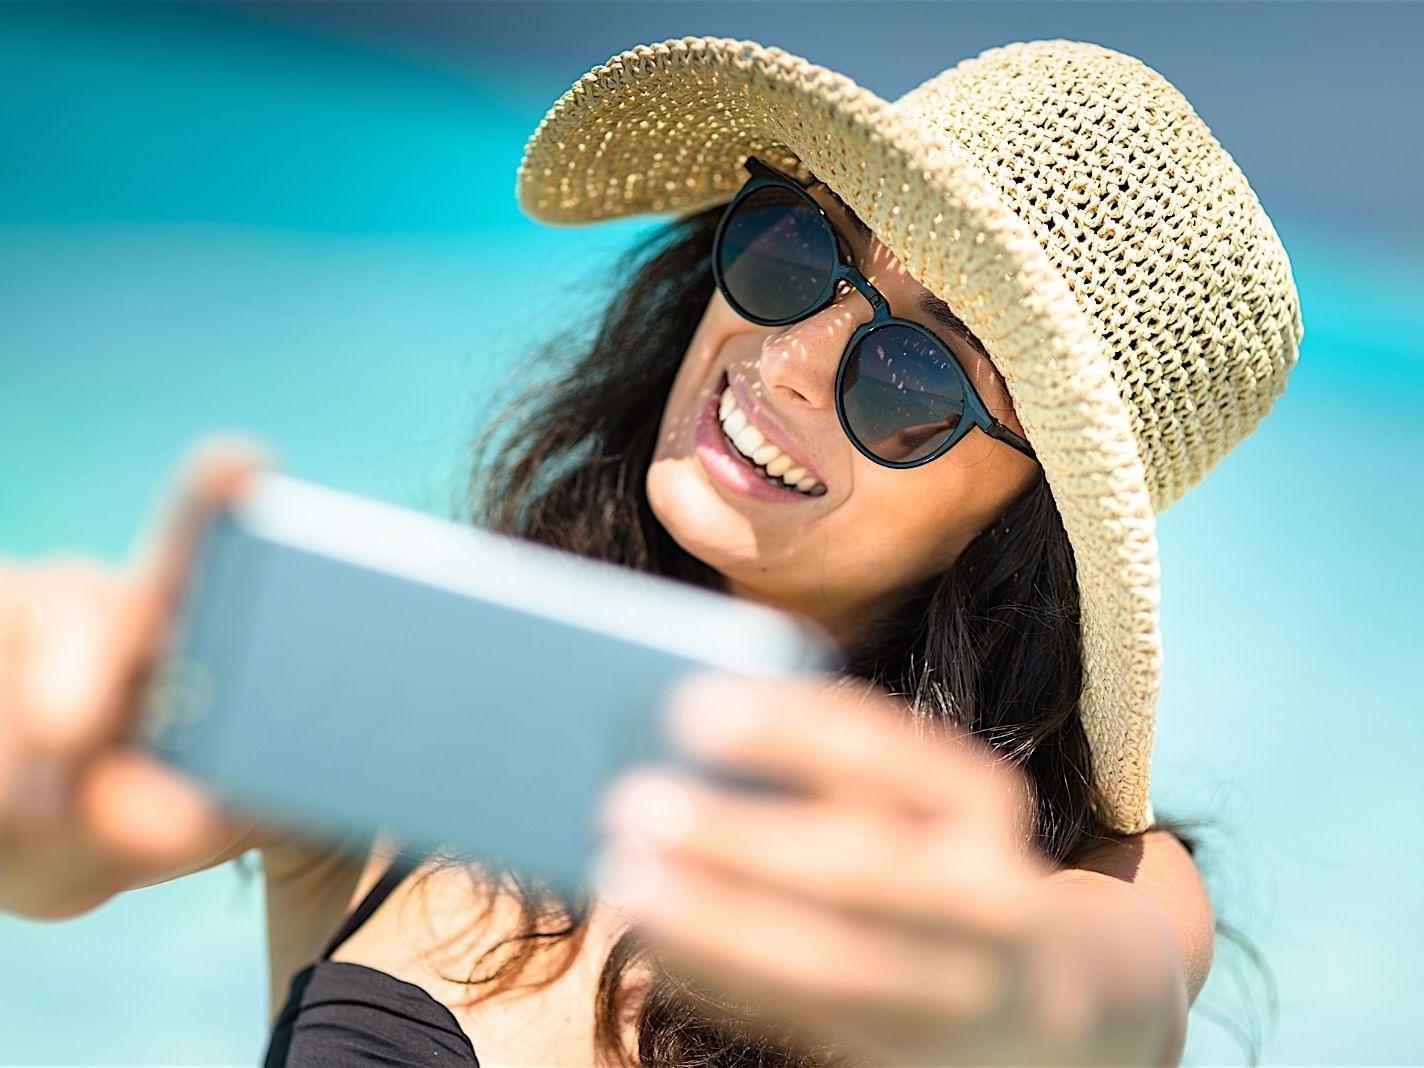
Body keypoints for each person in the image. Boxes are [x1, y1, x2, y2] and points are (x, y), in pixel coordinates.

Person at [0, 35, 1300, 1067]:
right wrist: (44, 763)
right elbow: (73, 837)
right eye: (797, 250)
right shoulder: (426, 697)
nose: (782, 362)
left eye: (912, 375)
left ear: (1028, 530)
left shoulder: (1082, 885)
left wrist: (993, 979)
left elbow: (1107, 999)